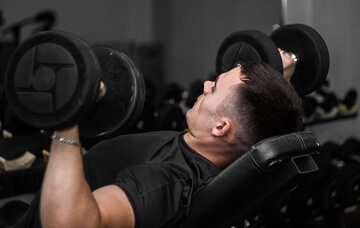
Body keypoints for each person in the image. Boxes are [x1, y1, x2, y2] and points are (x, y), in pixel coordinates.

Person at [15, 49, 302, 228]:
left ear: (220, 128)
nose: (206, 84)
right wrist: (279, 77)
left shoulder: (167, 183)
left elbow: (68, 224)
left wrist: (66, 119)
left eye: (214, 88)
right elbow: (270, 120)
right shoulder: (240, 155)